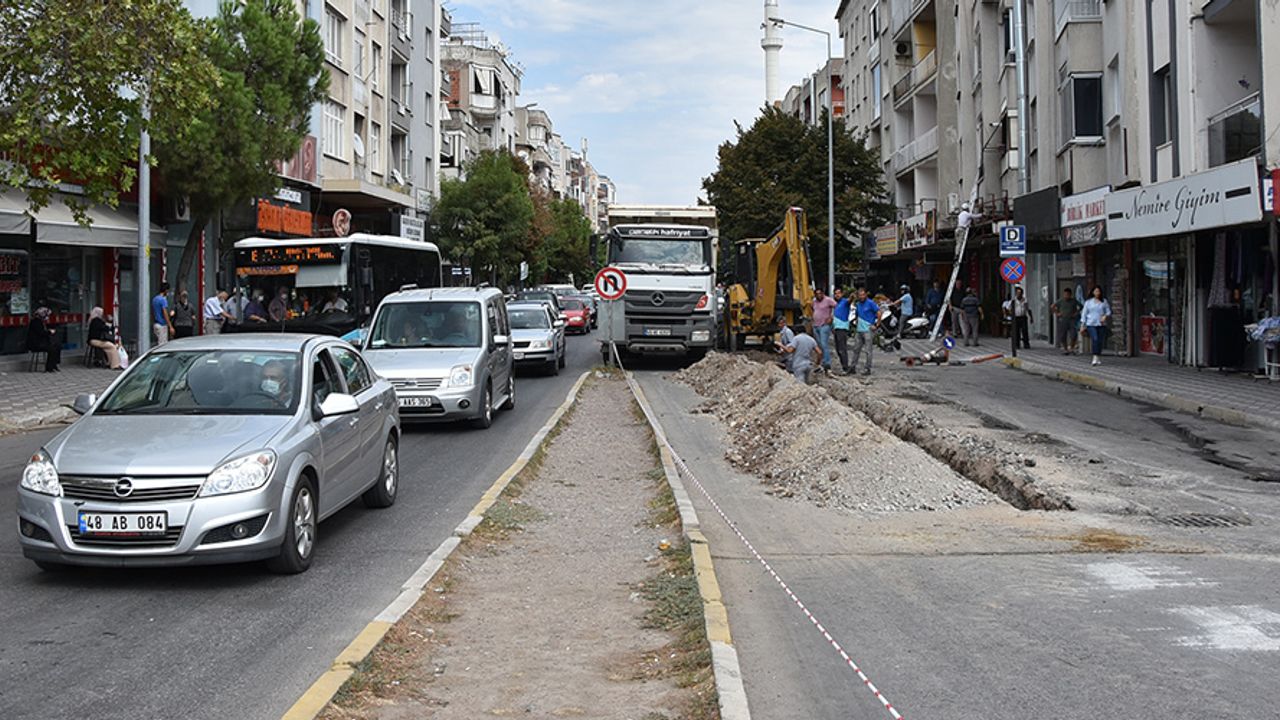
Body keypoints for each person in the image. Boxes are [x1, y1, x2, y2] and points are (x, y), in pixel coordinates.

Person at [848, 287, 880, 376]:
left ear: (866, 295)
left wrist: (876, 325)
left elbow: (879, 313)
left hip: (868, 329)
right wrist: (856, 322)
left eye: (863, 295)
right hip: (859, 330)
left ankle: (867, 368)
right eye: (860, 295)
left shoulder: (871, 303)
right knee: (856, 349)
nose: (861, 297)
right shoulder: (858, 304)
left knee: (868, 351)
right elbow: (857, 314)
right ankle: (852, 367)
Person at [1080, 285, 1112, 366]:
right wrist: (1082, 325)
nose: (1097, 293)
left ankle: (1098, 356)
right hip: (1091, 323)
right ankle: (1094, 356)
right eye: (1096, 291)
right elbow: (1084, 314)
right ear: (1093, 292)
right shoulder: (1088, 302)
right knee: (1095, 339)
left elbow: (1108, 311)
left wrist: (1105, 316)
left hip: (1101, 324)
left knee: (1100, 341)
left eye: (1098, 291)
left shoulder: (1104, 301)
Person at [27, 305, 61, 372]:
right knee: (52, 349)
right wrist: (49, 332)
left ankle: (54, 364)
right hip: (36, 344)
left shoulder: (40, 322)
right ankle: (49, 367)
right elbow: (41, 333)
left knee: (58, 346)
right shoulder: (35, 322)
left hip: (41, 342)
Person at [811, 288, 837, 374]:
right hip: (816, 326)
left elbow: (837, 307)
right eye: (817, 294)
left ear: (823, 293)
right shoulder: (814, 301)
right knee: (819, 346)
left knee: (824, 344)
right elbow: (813, 309)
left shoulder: (828, 300)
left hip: (824, 325)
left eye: (820, 293)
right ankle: (822, 364)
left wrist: (831, 317)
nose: (818, 295)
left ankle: (827, 364)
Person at [1051, 288, 1081, 354]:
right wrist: (1057, 313)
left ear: (1070, 295)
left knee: (1073, 334)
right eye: (1065, 294)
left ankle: (1071, 348)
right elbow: (1052, 306)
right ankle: (1065, 349)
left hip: (1072, 320)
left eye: (1068, 294)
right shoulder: (1060, 301)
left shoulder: (1074, 301)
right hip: (1063, 319)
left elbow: (1081, 306)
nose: (1066, 296)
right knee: (1063, 335)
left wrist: (1076, 313)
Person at [831, 288, 852, 374]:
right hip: (836, 328)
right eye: (835, 293)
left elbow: (850, 300)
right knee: (838, 349)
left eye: (839, 293)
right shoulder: (836, 304)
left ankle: (845, 367)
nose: (837, 295)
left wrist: (852, 296)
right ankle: (844, 366)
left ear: (842, 294)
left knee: (842, 349)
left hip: (842, 328)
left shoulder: (845, 302)